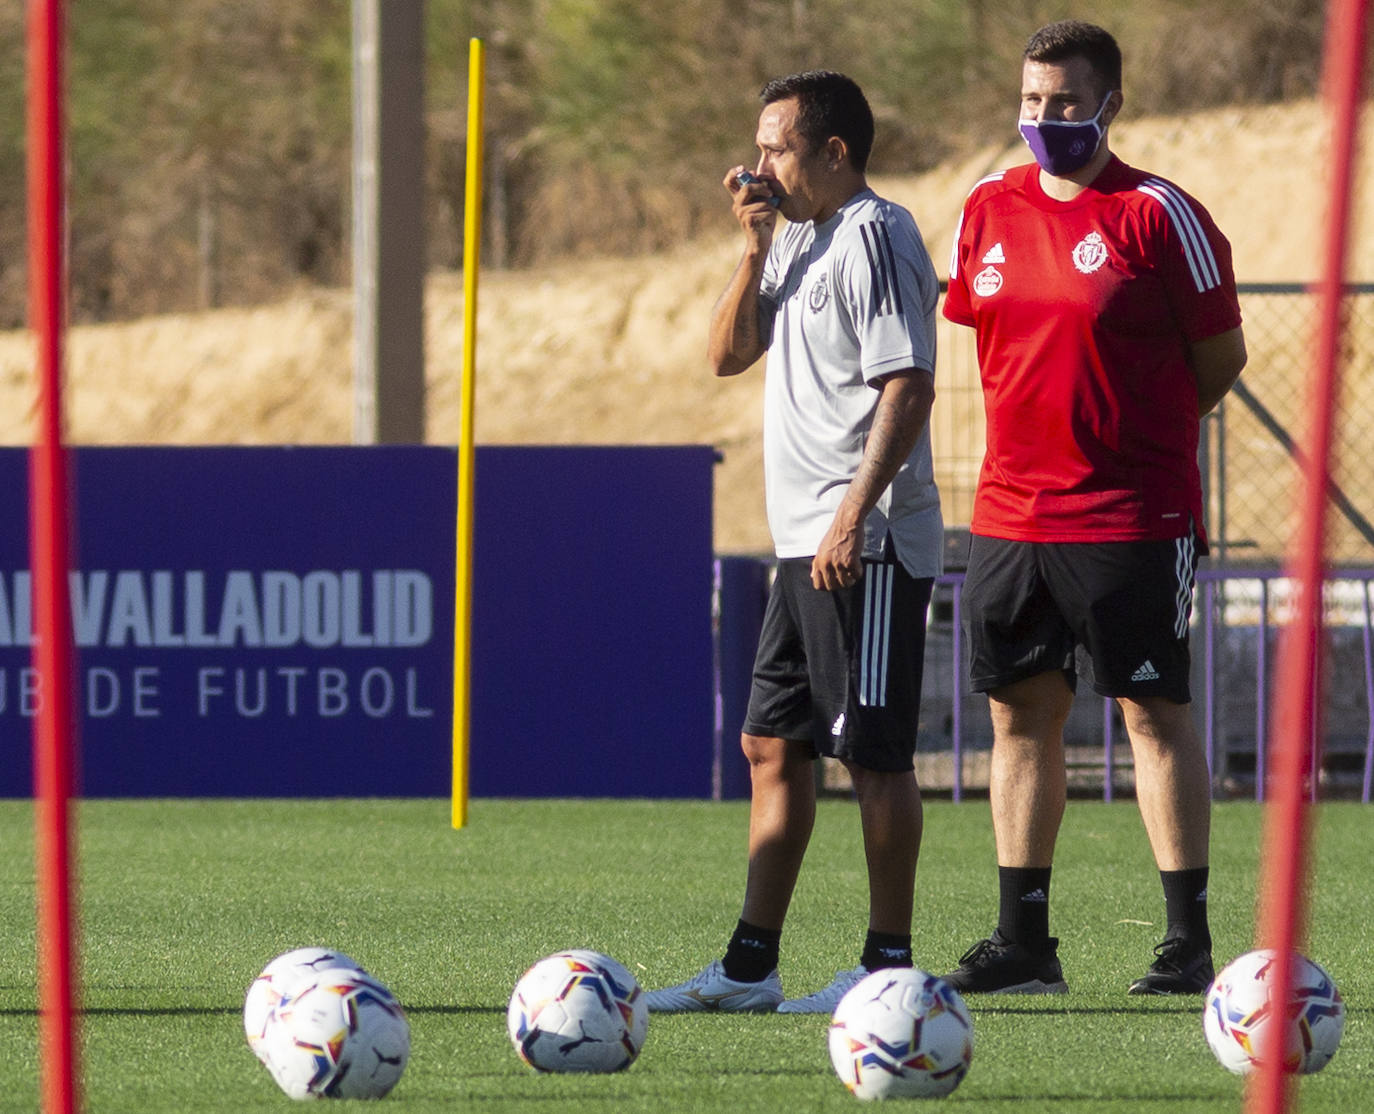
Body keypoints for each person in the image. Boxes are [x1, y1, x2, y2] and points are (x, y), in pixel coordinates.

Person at [941, 20, 1247, 996]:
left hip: (1132, 517)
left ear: (1110, 104)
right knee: (1019, 716)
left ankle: (1185, 940)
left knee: (1151, 712)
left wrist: (1144, 431)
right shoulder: (985, 208)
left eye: (1065, 103)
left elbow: (1220, 360)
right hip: (1009, 517)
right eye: (1032, 102)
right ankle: (1024, 939)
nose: (1045, 119)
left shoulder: (1161, 215)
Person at [645, 70, 943, 1014]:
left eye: (775, 146)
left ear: (834, 151)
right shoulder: (798, 239)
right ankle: (748, 967)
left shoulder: (878, 234)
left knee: (874, 755)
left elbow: (908, 385)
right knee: (770, 745)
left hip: (868, 539)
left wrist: (855, 516)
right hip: (800, 540)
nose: (757, 162)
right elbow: (727, 354)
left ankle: (887, 964)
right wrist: (754, 243)